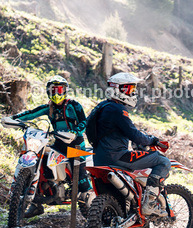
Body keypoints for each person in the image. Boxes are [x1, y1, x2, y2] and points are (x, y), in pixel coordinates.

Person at [86, 72, 171, 216]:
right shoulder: (118, 110)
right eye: (129, 90)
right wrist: (153, 141)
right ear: (118, 90)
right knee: (162, 161)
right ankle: (149, 204)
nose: (132, 93)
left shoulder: (101, 107)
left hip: (99, 158)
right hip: (117, 157)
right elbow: (135, 135)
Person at [11, 75, 91, 201]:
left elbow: (85, 122)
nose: (56, 93)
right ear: (48, 91)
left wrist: (75, 132)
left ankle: (89, 197)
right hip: (59, 143)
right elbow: (31, 113)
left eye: (59, 89)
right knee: (43, 161)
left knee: (80, 179)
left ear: (65, 90)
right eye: (53, 90)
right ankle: (37, 201)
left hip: (75, 144)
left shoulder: (74, 105)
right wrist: (13, 118)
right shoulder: (48, 108)